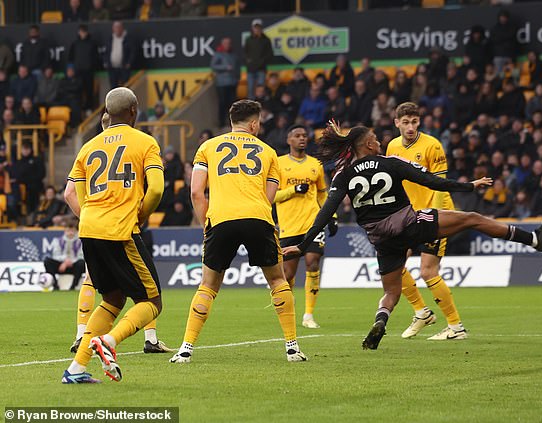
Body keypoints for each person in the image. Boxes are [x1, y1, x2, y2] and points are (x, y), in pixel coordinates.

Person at [282, 122, 542, 350]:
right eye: (375, 139)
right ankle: (533, 240)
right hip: (410, 224)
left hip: (381, 239)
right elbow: (433, 181)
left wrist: (302, 245)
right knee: (472, 218)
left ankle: (380, 321)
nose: (379, 142)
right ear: (367, 145)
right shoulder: (390, 162)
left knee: (391, 291)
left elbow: (324, 213)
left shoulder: (343, 174)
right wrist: (469, 186)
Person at [170, 99, 307, 364]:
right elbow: (269, 197)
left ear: (232, 121)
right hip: (258, 218)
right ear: (254, 123)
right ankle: (292, 347)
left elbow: (196, 192)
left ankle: (185, 348)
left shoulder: (207, 147)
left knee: (208, 286)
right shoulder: (268, 153)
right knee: (278, 281)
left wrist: (206, 225)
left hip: (221, 219)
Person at [61, 87, 164, 383]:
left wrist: (94, 217)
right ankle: (109, 341)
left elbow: (76, 194)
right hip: (120, 230)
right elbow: (156, 189)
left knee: (113, 299)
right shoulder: (145, 142)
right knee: (151, 302)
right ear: (134, 111)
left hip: (90, 229)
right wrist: (141, 215)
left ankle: (76, 369)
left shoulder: (87, 147)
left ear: (106, 112)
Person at [387, 102, 467, 340]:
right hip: (408, 216)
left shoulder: (432, 145)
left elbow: (441, 186)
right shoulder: (392, 146)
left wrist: (433, 215)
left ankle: (455, 326)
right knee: (394, 266)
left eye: (414, 122)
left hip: (436, 214)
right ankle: (422, 312)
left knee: (428, 271)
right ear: (397, 123)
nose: (410, 127)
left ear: (419, 122)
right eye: (405, 122)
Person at [274, 125, 336, 329]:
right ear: (288, 140)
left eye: (304, 136)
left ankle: (308, 315)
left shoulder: (315, 164)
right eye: (297, 136)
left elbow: (322, 193)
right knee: (288, 274)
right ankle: (288, 313)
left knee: (312, 263)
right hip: (289, 226)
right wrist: (293, 190)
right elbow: (271, 196)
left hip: (312, 224)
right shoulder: (279, 164)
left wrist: (331, 216)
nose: (302, 139)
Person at [43, 218, 85, 291]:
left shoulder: (80, 242)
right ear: (65, 231)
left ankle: (73, 286)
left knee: (81, 263)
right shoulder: (58, 241)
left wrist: (70, 261)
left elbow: (81, 256)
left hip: (75, 266)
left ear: (76, 231)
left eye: (72, 231)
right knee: (47, 261)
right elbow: (55, 255)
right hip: (61, 266)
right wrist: (65, 261)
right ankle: (55, 285)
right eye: (68, 230)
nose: (70, 233)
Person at [68, 25, 100, 111]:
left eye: (84, 32)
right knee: (78, 91)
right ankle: (79, 109)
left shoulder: (92, 43)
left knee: (89, 90)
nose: (82, 34)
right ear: (79, 32)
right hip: (77, 72)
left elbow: (96, 57)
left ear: (87, 32)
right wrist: (70, 68)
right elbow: (70, 58)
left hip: (89, 72)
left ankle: (89, 108)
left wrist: (93, 68)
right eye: (81, 32)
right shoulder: (75, 44)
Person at [211, 37, 239, 128]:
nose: (228, 45)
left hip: (232, 82)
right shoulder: (218, 54)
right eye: (226, 43)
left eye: (229, 43)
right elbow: (213, 66)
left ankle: (232, 122)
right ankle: (221, 122)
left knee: (232, 103)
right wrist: (225, 67)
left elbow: (237, 67)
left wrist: (237, 77)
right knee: (222, 103)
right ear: (222, 44)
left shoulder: (233, 54)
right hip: (222, 83)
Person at [243, 19, 273, 99]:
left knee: (261, 89)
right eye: (255, 27)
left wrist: (262, 62)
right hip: (251, 69)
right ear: (252, 28)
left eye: (258, 27)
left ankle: (260, 106)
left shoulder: (266, 40)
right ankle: (251, 108)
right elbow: (245, 53)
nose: (257, 29)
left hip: (261, 69)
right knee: (250, 89)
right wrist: (248, 62)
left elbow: (270, 54)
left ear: (261, 28)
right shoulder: (248, 40)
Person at [104, 21, 135, 89]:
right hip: (112, 68)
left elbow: (132, 52)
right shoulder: (110, 39)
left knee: (125, 87)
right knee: (113, 88)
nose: (117, 29)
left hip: (124, 68)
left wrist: (129, 63)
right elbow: (106, 52)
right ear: (113, 29)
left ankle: (125, 100)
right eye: (115, 27)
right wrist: (106, 62)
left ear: (122, 28)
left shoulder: (128, 38)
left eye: (118, 27)